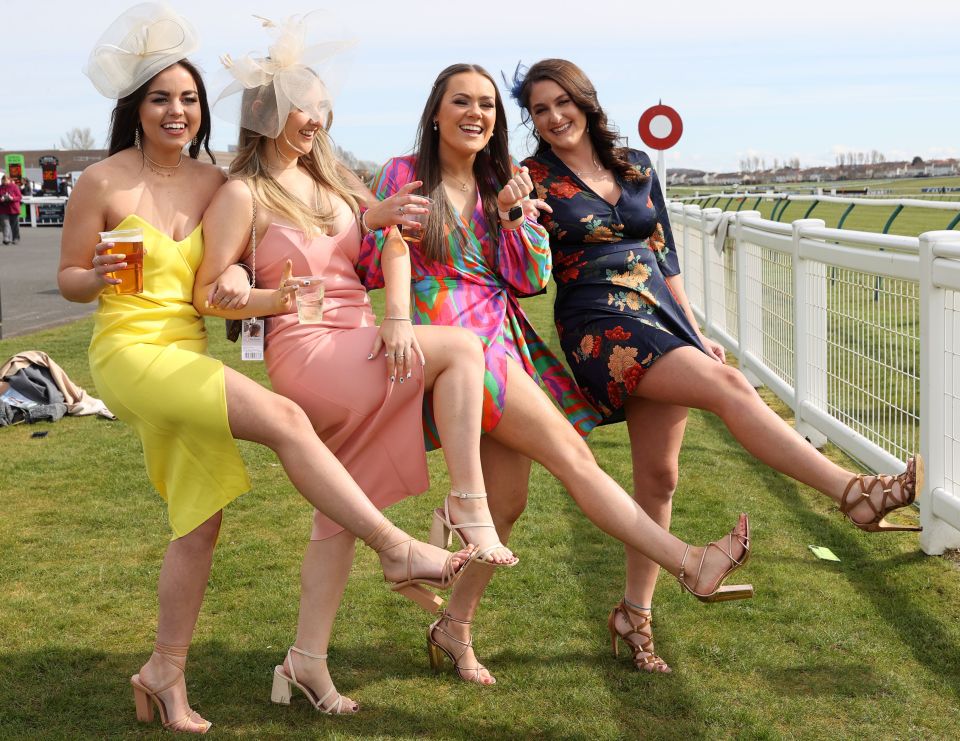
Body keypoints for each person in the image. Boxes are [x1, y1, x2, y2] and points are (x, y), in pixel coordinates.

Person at [57, 6, 473, 733]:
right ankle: (398, 547)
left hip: (185, 348)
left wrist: (281, 286)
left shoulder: (211, 183)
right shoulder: (100, 180)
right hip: (129, 349)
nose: (177, 111)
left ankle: (164, 672)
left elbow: (218, 289)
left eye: (188, 99)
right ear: (135, 108)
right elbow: (67, 277)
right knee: (283, 418)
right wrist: (92, 275)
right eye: (161, 99)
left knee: (201, 523)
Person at [511, 57, 922, 673]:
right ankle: (854, 494)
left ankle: (634, 615)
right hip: (600, 322)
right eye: (539, 110)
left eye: (560, 102)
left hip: (660, 314)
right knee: (731, 387)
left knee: (661, 478)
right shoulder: (532, 176)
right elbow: (523, 260)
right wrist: (515, 215)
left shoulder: (634, 166)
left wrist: (696, 332)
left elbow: (665, 256)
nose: (552, 117)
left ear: (584, 101)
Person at [367, 63, 754, 686]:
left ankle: (453, 623)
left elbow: (531, 280)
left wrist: (521, 221)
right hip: (450, 332)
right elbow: (378, 258)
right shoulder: (404, 174)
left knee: (509, 503)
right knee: (572, 456)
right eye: (460, 101)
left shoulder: (503, 181)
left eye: (487, 105)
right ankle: (689, 563)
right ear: (435, 112)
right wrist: (376, 226)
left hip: (502, 331)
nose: (475, 114)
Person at [195, 13, 515, 714]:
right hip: (307, 352)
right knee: (461, 347)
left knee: (336, 519)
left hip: (362, 336)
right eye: (302, 107)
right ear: (268, 113)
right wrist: (268, 292)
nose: (316, 119)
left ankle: (305, 663)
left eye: (320, 107)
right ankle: (468, 505)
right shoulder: (241, 194)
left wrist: (394, 296)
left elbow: (393, 239)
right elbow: (214, 291)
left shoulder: (338, 183)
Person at [0, 173, 22, 244]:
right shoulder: (0, 187)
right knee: (5, 224)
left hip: (13, 209)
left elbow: (19, 197)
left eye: (5, 180)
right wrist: (1, 199)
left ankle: (16, 238)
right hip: (3, 209)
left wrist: (12, 198)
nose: (4, 182)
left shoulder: (14, 187)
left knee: (14, 225)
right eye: (3, 181)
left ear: (9, 180)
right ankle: (6, 238)